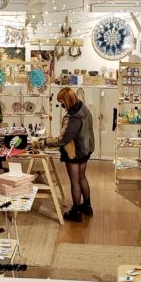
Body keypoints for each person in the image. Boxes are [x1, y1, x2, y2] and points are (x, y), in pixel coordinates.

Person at [46, 87, 95, 222]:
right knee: (82, 178)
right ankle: (87, 206)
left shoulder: (73, 117)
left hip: (73, 152)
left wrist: (44, 142)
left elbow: (63, 140)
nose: (61, 104)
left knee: (75, 181)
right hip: (85, 149)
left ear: (66, 100)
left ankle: (76, 212)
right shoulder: (84, 109)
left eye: (61, 101)